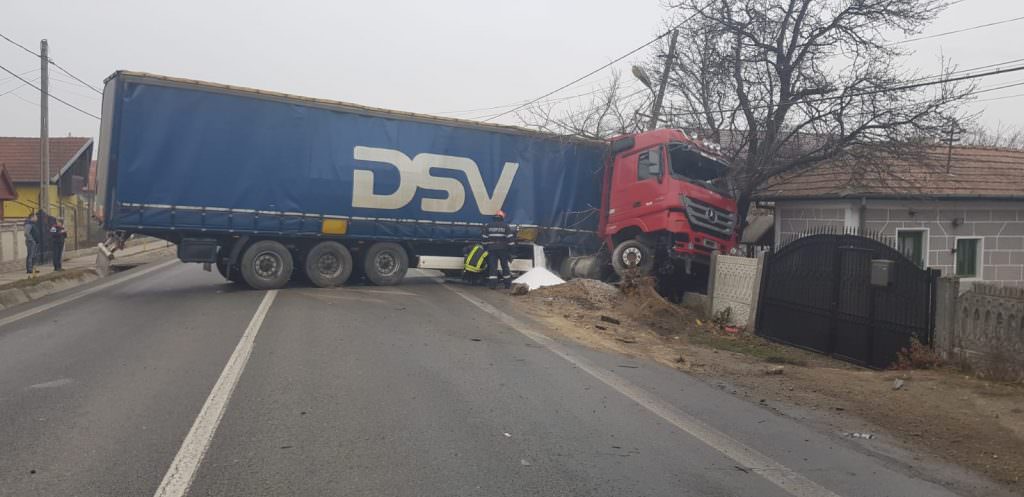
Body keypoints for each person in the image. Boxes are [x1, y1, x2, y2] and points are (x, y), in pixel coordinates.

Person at [481, 209, 515, 289]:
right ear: (502, 217)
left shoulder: (488, 226)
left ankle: (492, 285)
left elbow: (484, 238)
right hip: (503, 249)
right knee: (505, 266)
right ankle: (507, 284)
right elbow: (510, 240)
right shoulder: (505, 226)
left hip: (492, 249)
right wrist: (512, 251)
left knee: (493, 267)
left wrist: (485, 248)